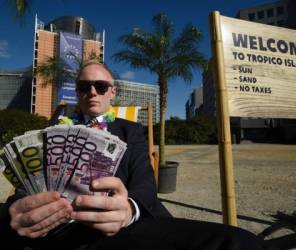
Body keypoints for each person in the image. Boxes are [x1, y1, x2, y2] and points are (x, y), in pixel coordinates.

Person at [0, 61, 276, 250]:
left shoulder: (131, 130)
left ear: (112, 93)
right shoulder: (52, 132)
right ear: (78, 94)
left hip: (123, 227)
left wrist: (129, 210)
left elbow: (145, 182)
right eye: (84, 87)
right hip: (57, 230)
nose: (92, 92)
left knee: (237, 243)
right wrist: (16, 211)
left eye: (100, 86)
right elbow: (25, 184)